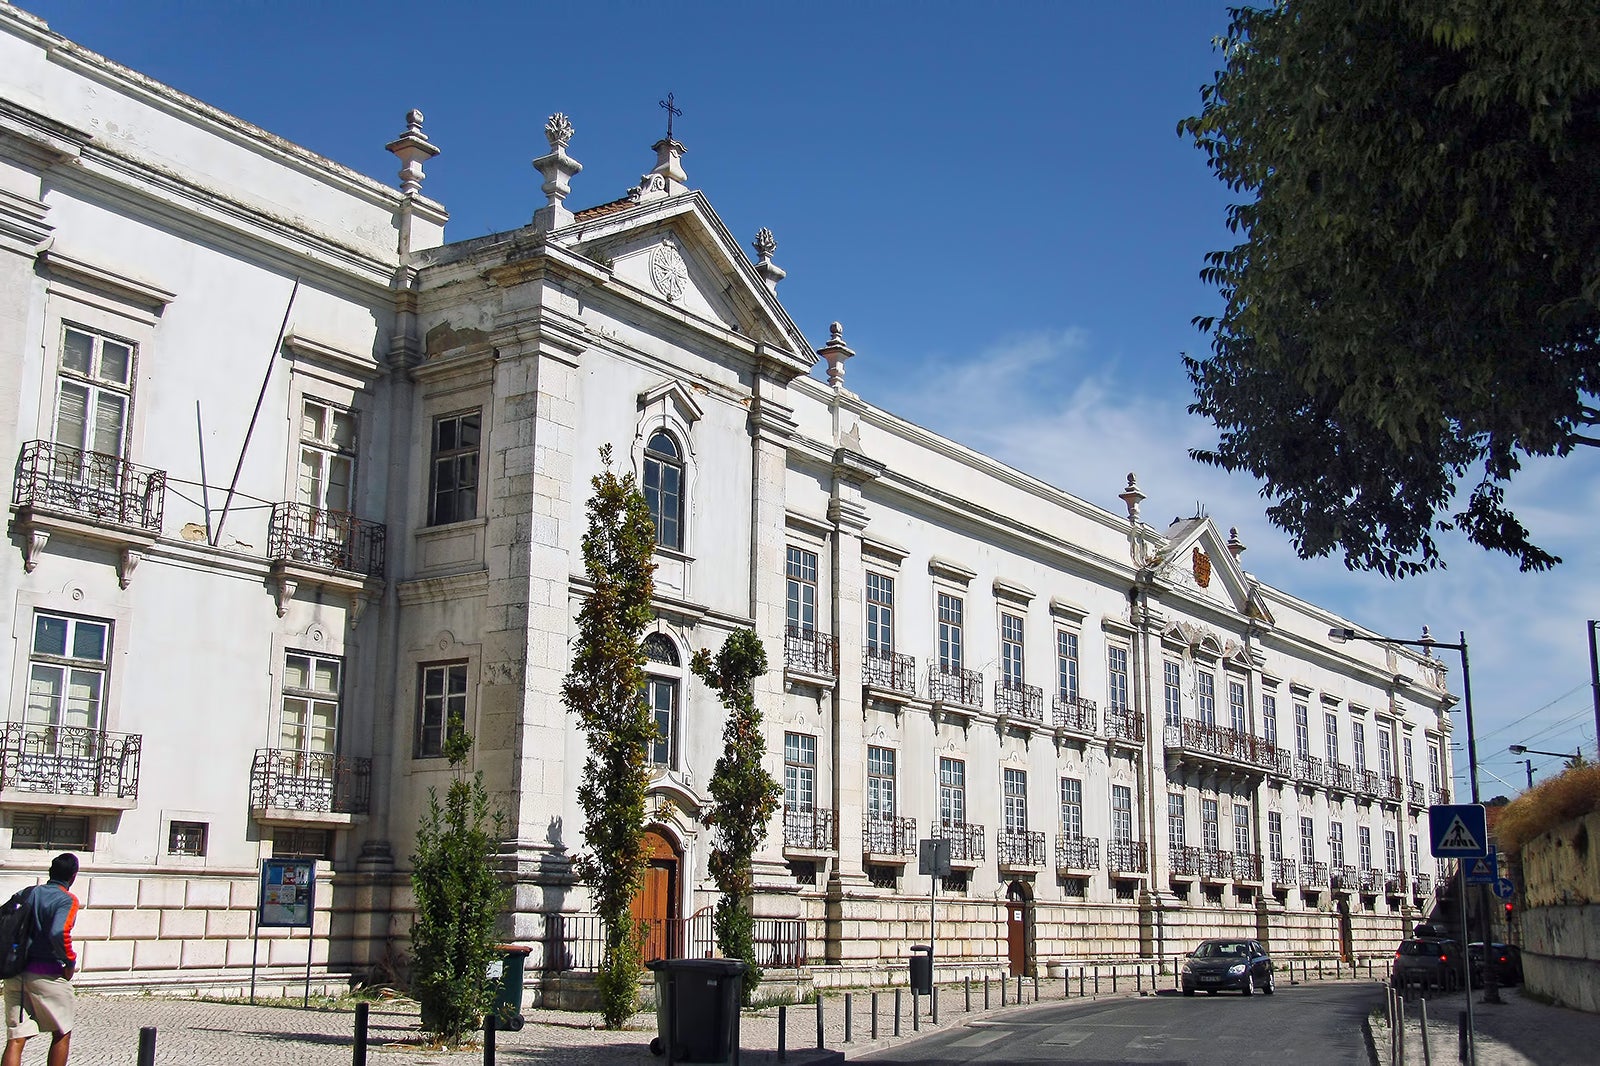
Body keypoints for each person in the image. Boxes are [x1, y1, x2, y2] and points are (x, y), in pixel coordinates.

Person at [2, 853, 80, 1066]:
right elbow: (59, 932)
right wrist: (70, 962)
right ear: (73, 876)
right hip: (47, 973)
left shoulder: (26, 893)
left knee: (16, 1037)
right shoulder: (67, 899)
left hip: (15, 972)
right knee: (61, 1031)